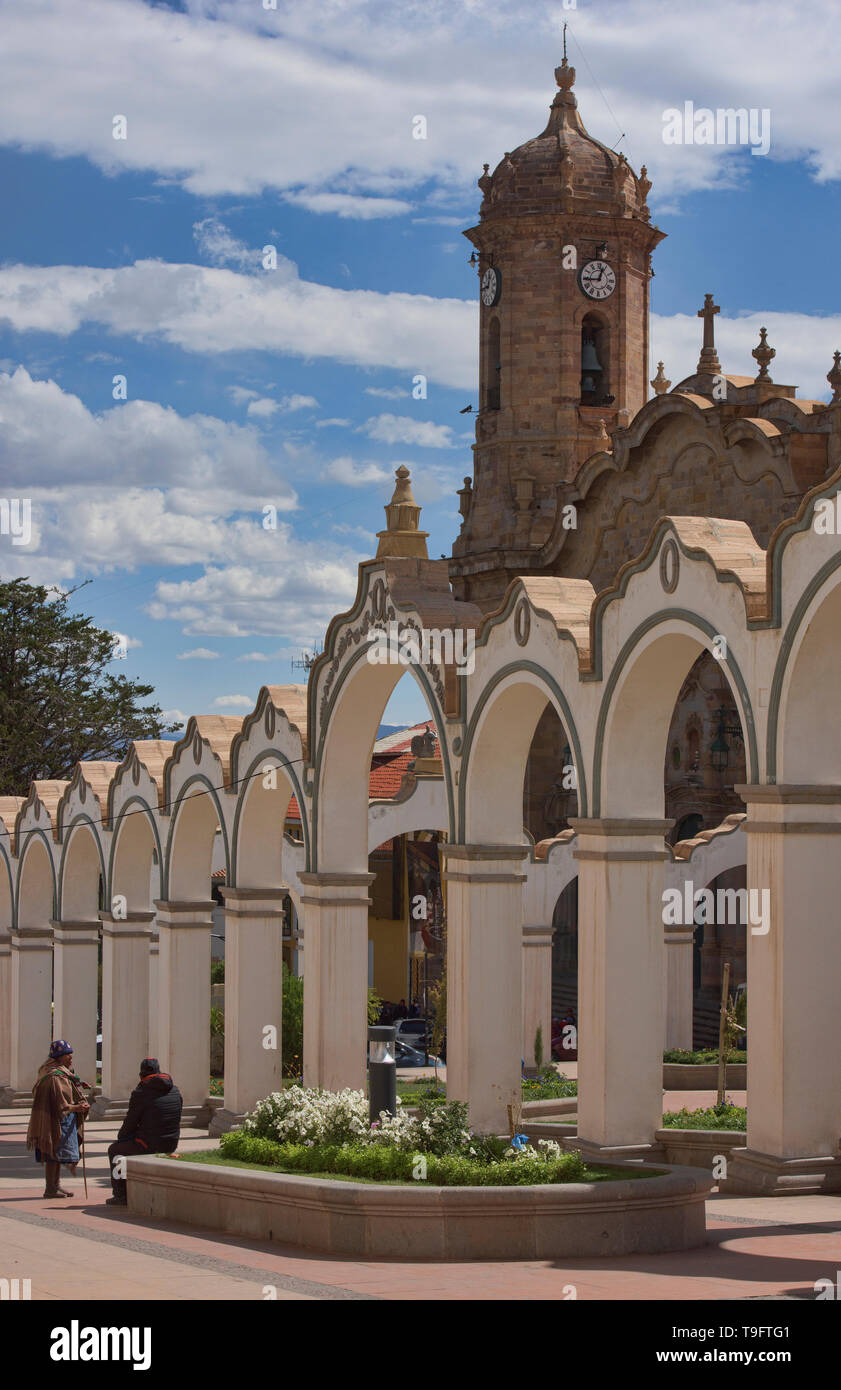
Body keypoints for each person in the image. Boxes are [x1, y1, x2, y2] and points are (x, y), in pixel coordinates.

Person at [106, 1058, 183, 1207]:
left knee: (115, 1151)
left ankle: (120, 1196)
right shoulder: (175, 1090)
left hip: (149, 1144)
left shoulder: (142, 1092)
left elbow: (130, 1122)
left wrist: (121, 1137)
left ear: (141, 1074)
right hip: (171, 1142)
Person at [26, 1040, 92, 1199]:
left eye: (71, 1054)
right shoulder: (53, 1077)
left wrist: (78, 1084)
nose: (71, 1057)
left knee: (58, 1155)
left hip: (62, 1120)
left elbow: (66, 1087)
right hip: (54, 1121)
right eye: (67, 1055)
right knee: (53, 1155)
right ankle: (50, 1189)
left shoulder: (60, 1072)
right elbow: (59, 1104)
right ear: (59, 1057)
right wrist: (77, 1108)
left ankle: (56, 1186)